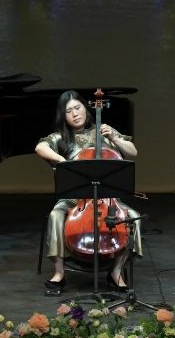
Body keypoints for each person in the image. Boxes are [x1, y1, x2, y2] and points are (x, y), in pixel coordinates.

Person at [35, 90, 142, 296]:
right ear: (63, 116)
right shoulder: (61, 137)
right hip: (75, 199)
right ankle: (59, 273)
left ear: (86, 107)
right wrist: (63, 162)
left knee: (134, 218)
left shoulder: (104, 130)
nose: (75, 114)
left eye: (78, 108)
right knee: (56, 215)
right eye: (69, 111)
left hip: (107, 200)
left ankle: (116, 271)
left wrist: (115, 138)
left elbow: (132, 152)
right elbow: (40, 147)